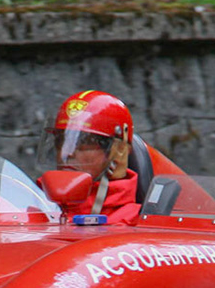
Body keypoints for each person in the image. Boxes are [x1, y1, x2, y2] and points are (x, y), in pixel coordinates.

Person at [38, 90, 141, 223]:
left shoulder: (133, 222)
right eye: (60, 141)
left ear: (118, 150)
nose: (66, 153)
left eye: (85, 143)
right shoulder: (34, 198)